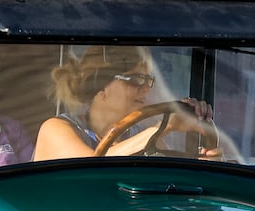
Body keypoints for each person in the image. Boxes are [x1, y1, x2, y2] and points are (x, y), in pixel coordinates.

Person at [33, 46, 210, 161]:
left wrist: (206, 162)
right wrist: (164, 125)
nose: (146, 88)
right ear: (100, 86)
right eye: (136, 79)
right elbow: (90, 168)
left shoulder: (142, 136)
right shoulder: (55, 129)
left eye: (148, 80)